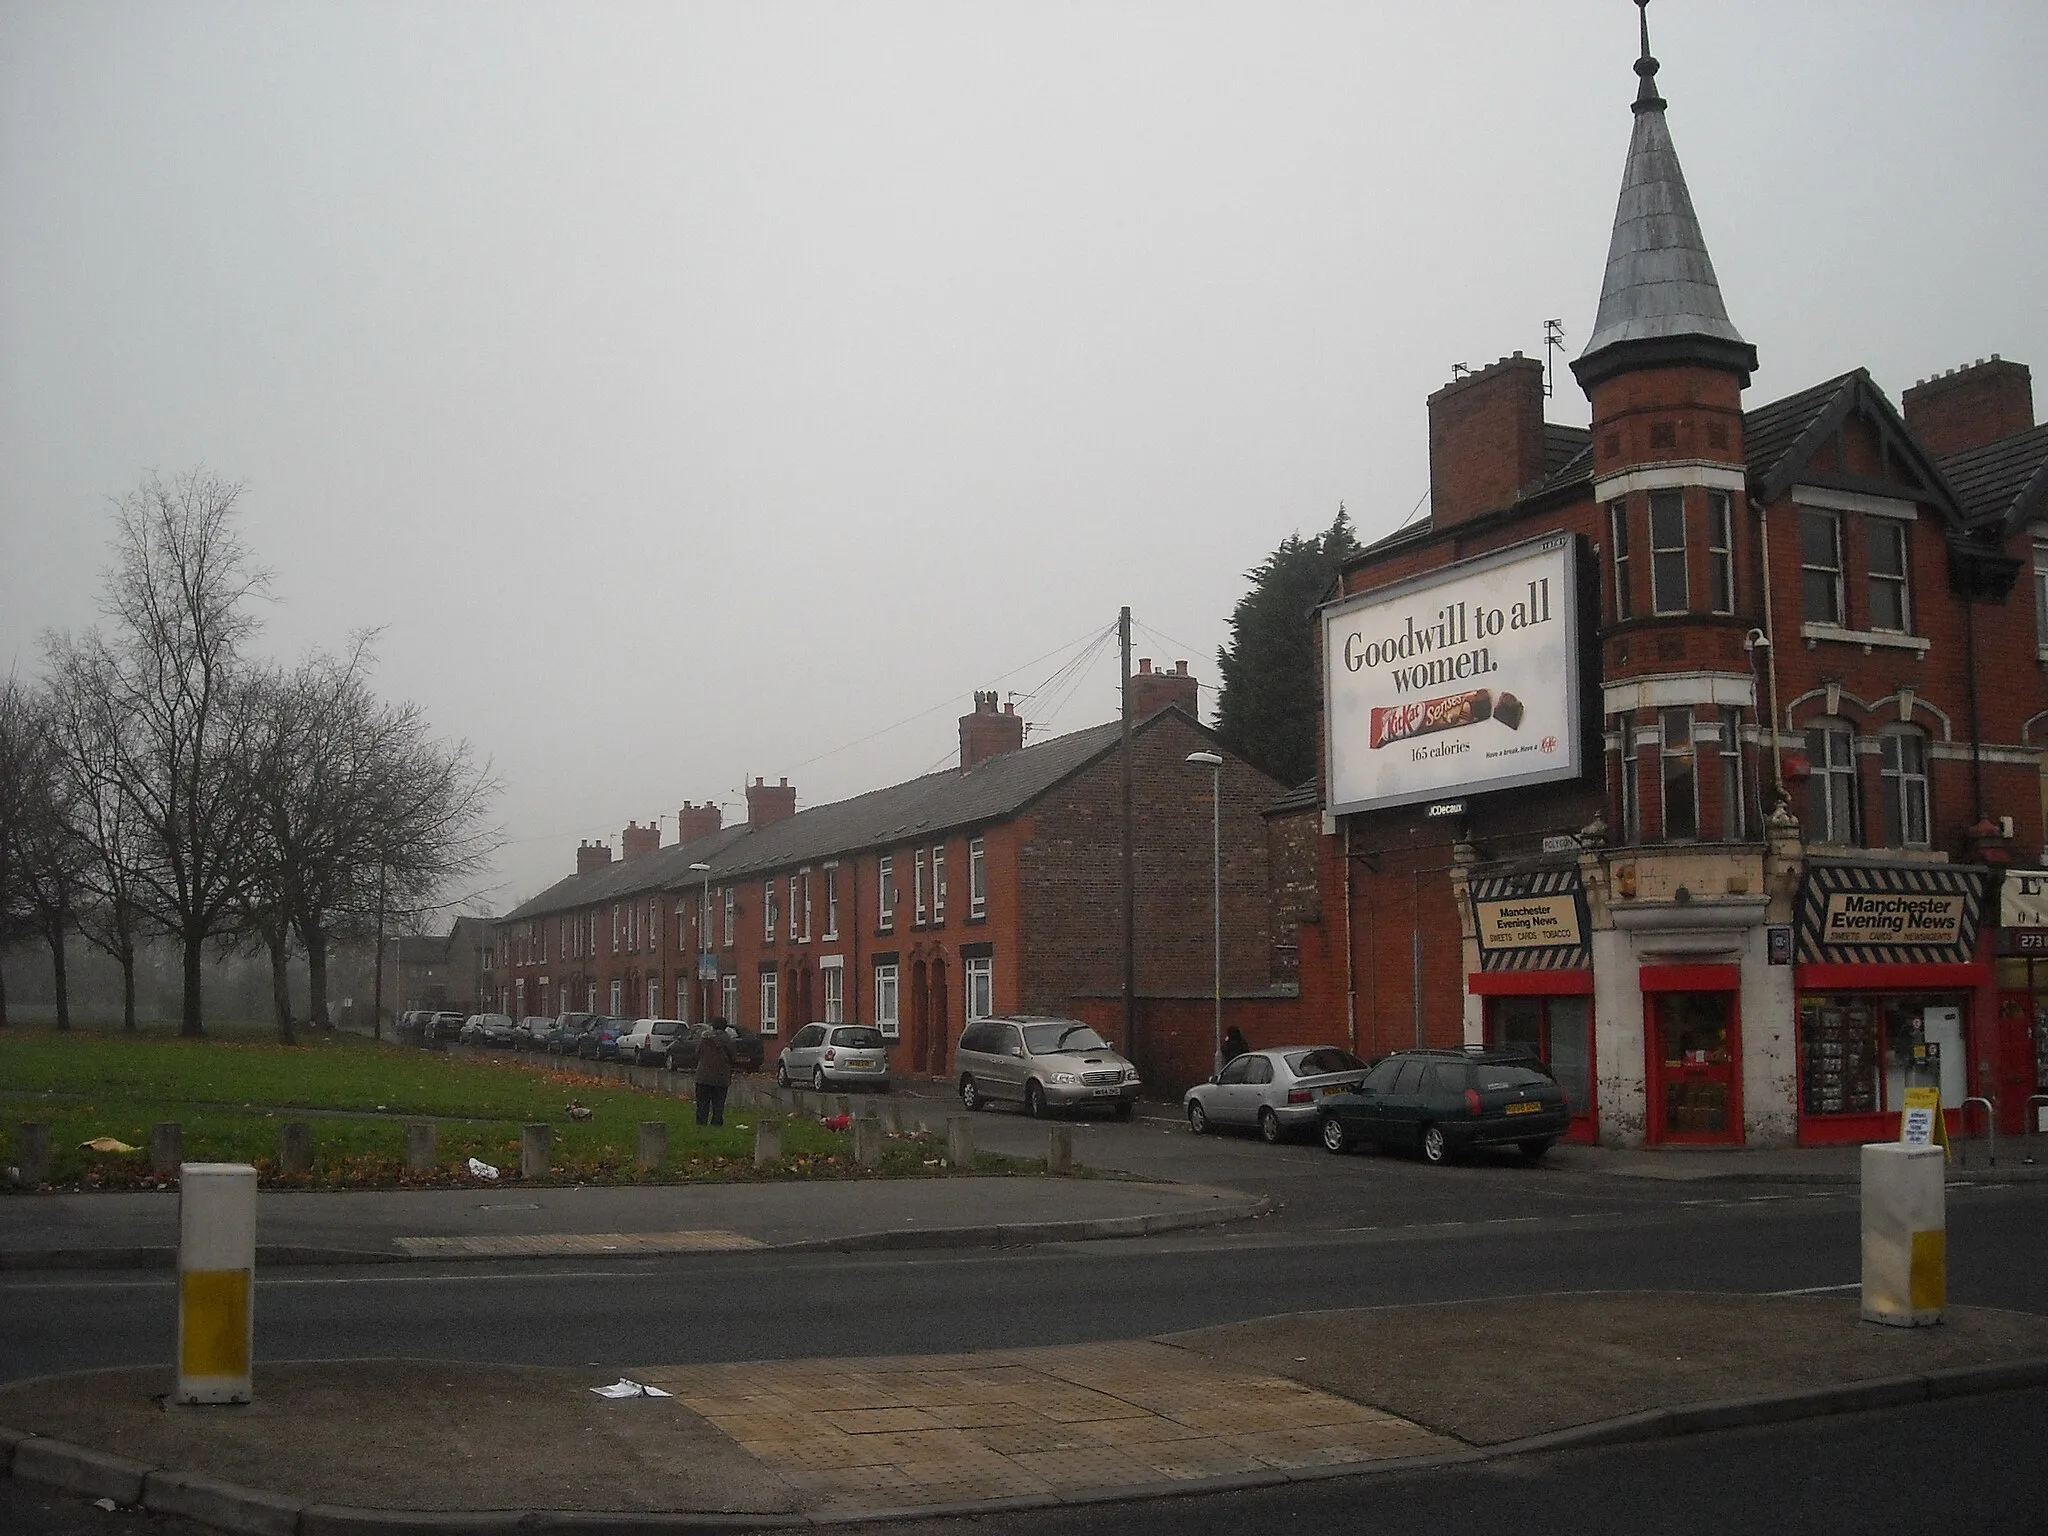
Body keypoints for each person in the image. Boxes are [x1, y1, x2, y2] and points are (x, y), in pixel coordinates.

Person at [693, 1016, 735, 1127]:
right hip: (721, 1077)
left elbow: (697, 1053)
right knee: (718, 1104)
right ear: (725, 1027)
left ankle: (701, 1124)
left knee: (702, 1103)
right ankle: (716, 1124)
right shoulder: (727, 1039)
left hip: (702, 1076)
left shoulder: (704, 1038)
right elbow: (733, 1057)